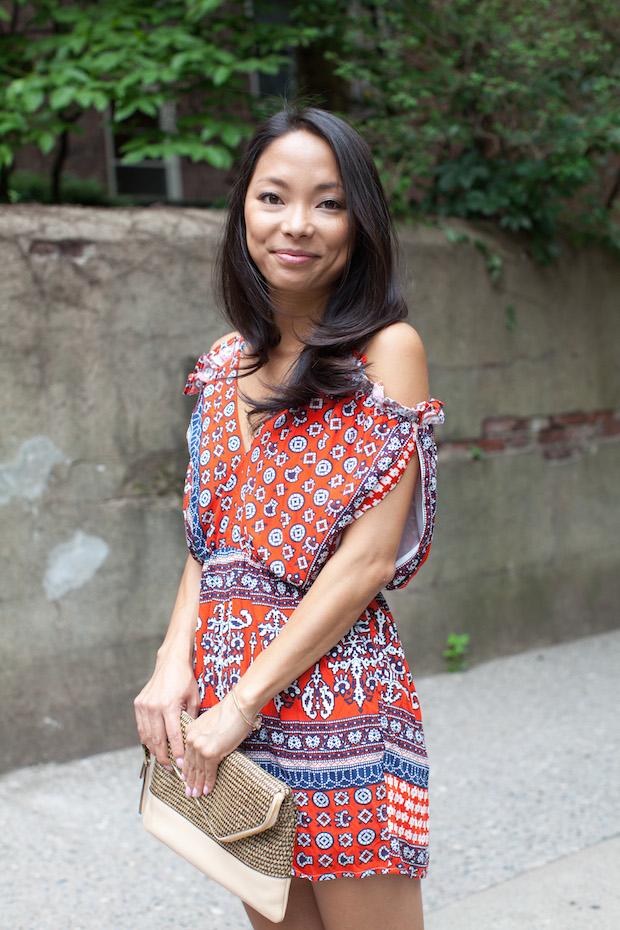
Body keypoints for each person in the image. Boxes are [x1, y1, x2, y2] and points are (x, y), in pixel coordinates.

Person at [135, 106, 443, 930]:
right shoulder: (220, 366)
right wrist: (174, 663)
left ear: (361, 221)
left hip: (334, 708)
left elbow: (369, 561)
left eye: (329, 202)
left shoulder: (386, 353)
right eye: (274, 197)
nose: (297, 224)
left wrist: (242, 705)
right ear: (243, 210)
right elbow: (211, 544)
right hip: (229, 708)